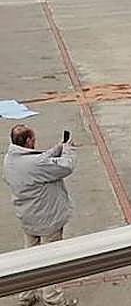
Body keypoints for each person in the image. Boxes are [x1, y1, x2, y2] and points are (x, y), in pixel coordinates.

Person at [4, 124, 78, 306]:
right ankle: (53, 299)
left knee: (29, 258)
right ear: (29, 141)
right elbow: (65, 167)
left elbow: (38, 159)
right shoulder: (36, 164)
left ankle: (27, 295)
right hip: (47, 219)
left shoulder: (10, 158)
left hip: (27, 216)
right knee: (51, 259)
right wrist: (68, 150)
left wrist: (57, 147)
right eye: (34, 140)